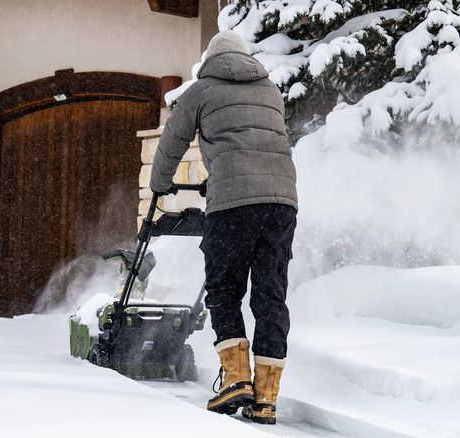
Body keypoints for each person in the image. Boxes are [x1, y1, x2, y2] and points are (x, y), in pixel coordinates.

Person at [149, 30, 297, 425]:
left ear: (210, 60)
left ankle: (235, 380)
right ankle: (265, 398)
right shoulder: (271, 90)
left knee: (224, 288)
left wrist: (160, 184)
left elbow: (171, 141)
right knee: (270, 296)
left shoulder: (201, 90)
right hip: (282, 204)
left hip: (232, 205)